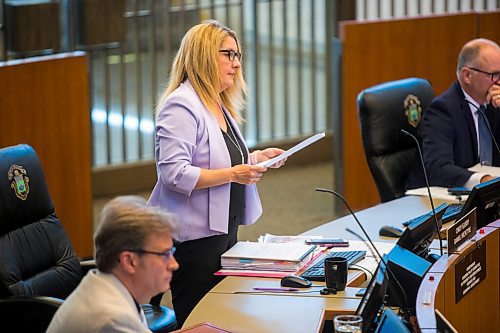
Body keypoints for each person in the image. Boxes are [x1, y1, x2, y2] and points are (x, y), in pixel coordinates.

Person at [148, 19, 286, 326]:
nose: (236, 64)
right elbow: (175, 173)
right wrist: (234, 174)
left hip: (225, 230)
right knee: (198, 321)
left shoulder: (217, 103)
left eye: (238, 56)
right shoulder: (181, 105)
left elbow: (218, 158)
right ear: (202, 56)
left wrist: (257, 158)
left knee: (223, 319)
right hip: (193, 240)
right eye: (228, 54)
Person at [47, 195, 179, 333]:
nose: (174, 264)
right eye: (164, 255)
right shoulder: (113, 318)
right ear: (129, 261)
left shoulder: (110, 287)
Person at [421, 38, 500, 188]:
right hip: (454, 201)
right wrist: (484, 180)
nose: (498, 82)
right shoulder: (443, 110)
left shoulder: (494, 103)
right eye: (494, 75)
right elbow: (438, 168)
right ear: (467, 76)